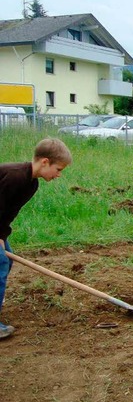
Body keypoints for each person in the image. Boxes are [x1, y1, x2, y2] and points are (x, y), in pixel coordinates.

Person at [0, 138, 72, 340]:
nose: (58, 175)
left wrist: (2, 235)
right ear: (45, 162)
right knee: (0, 262)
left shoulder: (31, 184)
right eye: (58, 169)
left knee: (8, 258)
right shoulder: (14, 177)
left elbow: (8, 213)